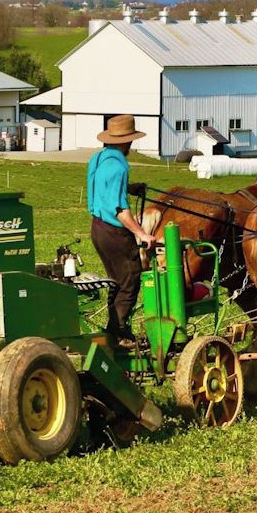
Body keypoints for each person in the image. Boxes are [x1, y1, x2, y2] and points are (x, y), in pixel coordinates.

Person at [86, 114, 155, 349]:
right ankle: (120, 332)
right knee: (130, 279)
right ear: (127, 141)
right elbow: (119, 211)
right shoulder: (118, 167)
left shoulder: (98, 159)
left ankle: (113, 327)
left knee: (116, 281)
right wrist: (142, 234)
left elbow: (105, 189)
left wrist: (131, 188)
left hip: (97, 228)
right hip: (115, 232)